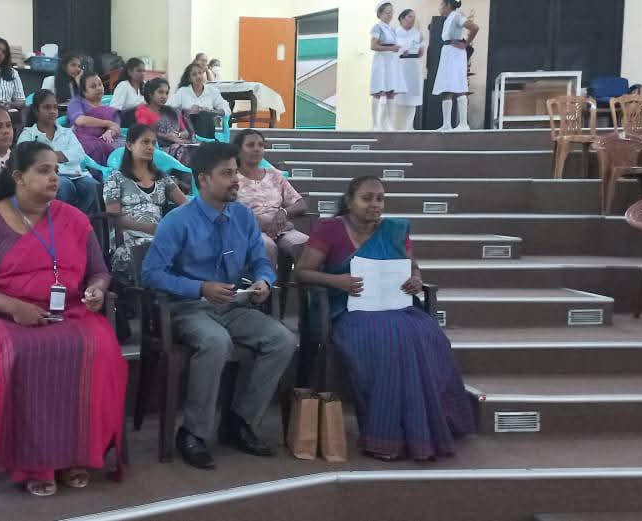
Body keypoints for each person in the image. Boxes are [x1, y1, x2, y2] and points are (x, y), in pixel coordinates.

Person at [0, 141, 127, 497]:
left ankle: (77, 453)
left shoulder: (74, 218)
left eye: (56, 170)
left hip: (71, 311)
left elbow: (99, 272)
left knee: (98, 348)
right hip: (8, 315)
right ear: (19, 176)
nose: (54, 178)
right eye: (44, 170)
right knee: (21, 355)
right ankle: (36, 462)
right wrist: (13, 307)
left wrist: (96, 290)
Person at [294, 175, 474, 461]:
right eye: (367, 198)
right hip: (347, 308)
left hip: (396, 305)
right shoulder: (330, 229)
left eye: (380, 199)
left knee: (429, 334)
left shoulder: (395, 230)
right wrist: (336, 281)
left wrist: (416, 280)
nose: (375, 205)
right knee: (391, 339)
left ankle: (427, 425)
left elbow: (413, 268)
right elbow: (302, 272)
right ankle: (389, 434)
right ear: (350, 200)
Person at [141, 142, 297, 470]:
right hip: (188, 307)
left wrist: (264, 281)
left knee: (282, 340)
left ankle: (239, 422)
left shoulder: (242, 216)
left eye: (235, 172)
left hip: (233, 305)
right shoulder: (177, 221)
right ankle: (193, 433)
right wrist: (199, 287)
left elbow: (260, 261)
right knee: (215, 341)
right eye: (227, 173)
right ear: (203, 179)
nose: (236, 180)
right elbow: (151, 274)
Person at [103, 124, 188, 284]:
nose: (150, 147)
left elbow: (187, 206)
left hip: (159, 237)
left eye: (153, 143)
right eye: (145, 142)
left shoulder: (162, 178)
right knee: (150, 249)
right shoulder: (116, 178)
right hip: (128, 239)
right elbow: (114, 217)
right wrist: (149, 228)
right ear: (129, 145)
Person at [19, 89, 103, 216]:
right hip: (47, 176)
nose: (52, 111)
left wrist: (50, 156)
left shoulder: (66, 132)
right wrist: (59, 157)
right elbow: (24, 156)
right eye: (47, 107)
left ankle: (80, 222)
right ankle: (62, 223)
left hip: (75, 174)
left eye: (55, 107)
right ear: (36, 110)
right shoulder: (29, 133)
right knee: (64, 186)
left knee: (94, 186)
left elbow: (79, 155)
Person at [234, 130, 308, 265]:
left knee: (304, 244)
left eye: (261, 145)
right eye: (250, 145)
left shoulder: (274, 175)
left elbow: (301, 203)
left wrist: (283, 212)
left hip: (281, 229)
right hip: (249, 231)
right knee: (266, 246)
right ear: (238, 150)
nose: (257, 149)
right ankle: (266, 279)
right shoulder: (233, 179)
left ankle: (295, 279)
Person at [136, 77, 197, 193]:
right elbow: (143, 132)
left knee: (199, 148)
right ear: (150, 94)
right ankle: (184, 182)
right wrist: (166, 136)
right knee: (182, 150)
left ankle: (193, 182)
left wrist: (179, 135)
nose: (164, 96)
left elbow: (185, 131)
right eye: (160, 92)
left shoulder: (172, 111)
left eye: (166, 93)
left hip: (178, 143)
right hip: (158, 148)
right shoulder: (143, 111)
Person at [431, 0, 478, 131]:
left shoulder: (457, 16)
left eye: (441, 5)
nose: (440, 7)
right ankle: (446, 124)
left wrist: (466, 43)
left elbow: (474, 27)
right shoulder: (448, 19)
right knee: (446, 87)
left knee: (458, 85)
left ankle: (463, 123)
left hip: (456, 53)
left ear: (447, 5)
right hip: (448, 52)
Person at [69, 72, 123, 165]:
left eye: (100, 84)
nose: (98, 88)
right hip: (82, 141)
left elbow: (116, 127)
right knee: (96, 147)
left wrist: (110, 132)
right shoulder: (76, 102)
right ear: (84, 91)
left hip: (105, 141)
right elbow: (80, 120)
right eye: (93, 86)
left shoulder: (109, 110)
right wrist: (108, 123)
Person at [168, 63, 230, 139]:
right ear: (190, 79)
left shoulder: (212, 91)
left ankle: (206, 141)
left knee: (205, 115)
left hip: (208, 127)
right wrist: (188, 111)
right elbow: (168, 108)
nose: (198, 76)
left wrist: (210, 111)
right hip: (188, 127)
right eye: (194, 74)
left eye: (200, 73)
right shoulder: (183, 91)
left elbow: (227, 110)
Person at [369, 2, 402, 131]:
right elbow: (373, 46)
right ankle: (375, 124)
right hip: (381, 61)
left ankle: (389, 124)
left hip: (391, 62)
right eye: (387, 12)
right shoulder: (377, 28)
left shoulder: (392, 29)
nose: (390, 15)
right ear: (380, 13)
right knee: (378, 91)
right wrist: (391, 48)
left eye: (391, 12)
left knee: (390, 92)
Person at [391, 9, 425, 130]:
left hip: (413, 65)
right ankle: (395, 126)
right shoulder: (394, 33)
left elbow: (421, 51)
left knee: (413, 98)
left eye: (414, 17)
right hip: (400, 65)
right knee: (398, 96)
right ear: (402, 18)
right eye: (410, 16)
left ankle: (409, 126)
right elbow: (391, 50)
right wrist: (400, 51)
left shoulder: (418, 34)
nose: (412, 19)